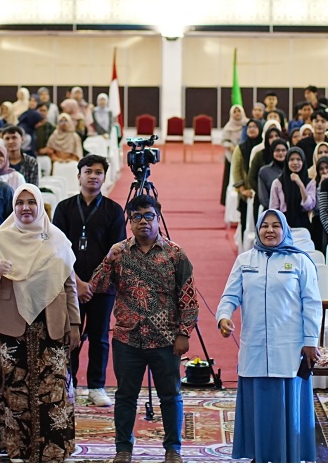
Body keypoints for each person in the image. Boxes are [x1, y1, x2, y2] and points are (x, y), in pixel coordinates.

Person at [89, 195, 198, 464]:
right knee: (125, 396)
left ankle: (173, 450)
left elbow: (188, 298)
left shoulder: (175, 254)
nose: (143, 222)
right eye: (136, 217)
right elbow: (96, 287)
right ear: (129, 221)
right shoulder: (119, 252)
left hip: (165, 339)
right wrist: (108, 259)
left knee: (170, 395)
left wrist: (184, 333)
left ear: (158, 218)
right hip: (127, 338)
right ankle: (123, 449)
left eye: (149, 216)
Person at [0, 184, 80, 463]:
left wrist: (74, 323)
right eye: (20, 202)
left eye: (31, 202)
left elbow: (69, 284)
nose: (25, 207)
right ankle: (17, 448)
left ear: (40, 206)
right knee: (15, 390)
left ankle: (53, 448)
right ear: (14, 206)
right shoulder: (2, 237)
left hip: (51, 325)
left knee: (53, 389)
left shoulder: (56, 238)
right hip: (11, 326)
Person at [216, 209, 321, 464]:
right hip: (254, 346)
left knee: (287, 406)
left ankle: (289, 455)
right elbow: (230, 295)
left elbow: (312, 304)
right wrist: (224, 317)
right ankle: (259, 455)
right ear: (258, 230)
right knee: (258, 406)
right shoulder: (245, 260)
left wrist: (310, 341)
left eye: (276, 226)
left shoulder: (300, 261)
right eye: (265, 226)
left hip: (289, 348)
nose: (270, 230)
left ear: (285, 230)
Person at [52, 154, 126, 408]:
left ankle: (96, 386)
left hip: (102, 288)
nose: (93, 176)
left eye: (98, 172)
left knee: (99, 336)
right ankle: (68, 383)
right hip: (69, 284)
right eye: (88, 171)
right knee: (69, 335)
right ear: (79, 175)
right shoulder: (64, 208)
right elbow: (57, 250)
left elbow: (116, 252)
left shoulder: (114, 211)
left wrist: (92, 284)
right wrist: (77, 283)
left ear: (105, 177)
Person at [269, 147, 316, 233]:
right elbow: (273, 209)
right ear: (287, 162)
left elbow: (309, 206)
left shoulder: (310, 182)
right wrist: (282, 224)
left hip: (304, 226)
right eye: (291, 159)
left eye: (298, 159)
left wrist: (300, 184)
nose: (295, 162)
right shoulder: (278, 183)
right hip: (283, 225)